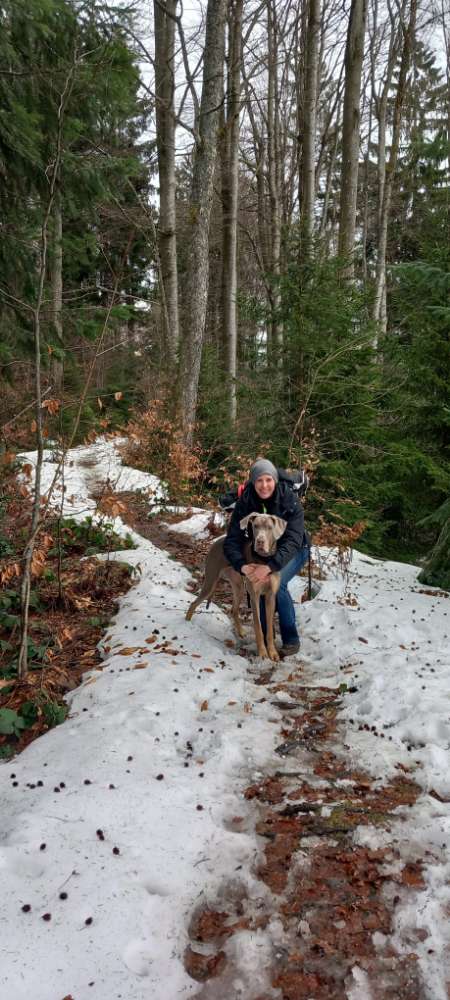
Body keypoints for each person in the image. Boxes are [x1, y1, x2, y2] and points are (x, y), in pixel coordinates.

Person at [223, 459, 309, 657]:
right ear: (253, 482)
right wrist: (242, 566)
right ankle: (265, 641)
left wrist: (270, 567)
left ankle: (290, 639)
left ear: (275, 480)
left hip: (294, 550)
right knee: (260, 590)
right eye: (259, 480)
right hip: (261, 554)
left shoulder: (289, 501)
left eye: (268, 480)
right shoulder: (245, 502)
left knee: (278, 587)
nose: (264, 485)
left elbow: (293, 541)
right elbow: (232, 541)